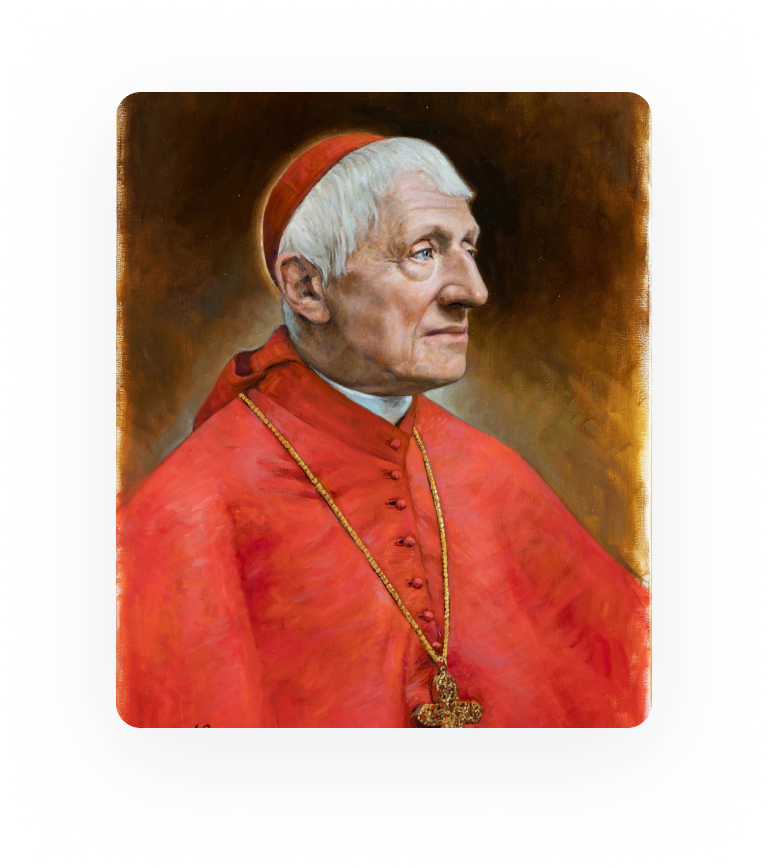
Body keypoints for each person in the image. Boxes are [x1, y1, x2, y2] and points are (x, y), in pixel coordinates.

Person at [117, 134, 650, 729]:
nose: (473, 292)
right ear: (307, 287)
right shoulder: (186, 508)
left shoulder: (491, 472)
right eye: (424, 252)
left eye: (468, 248)